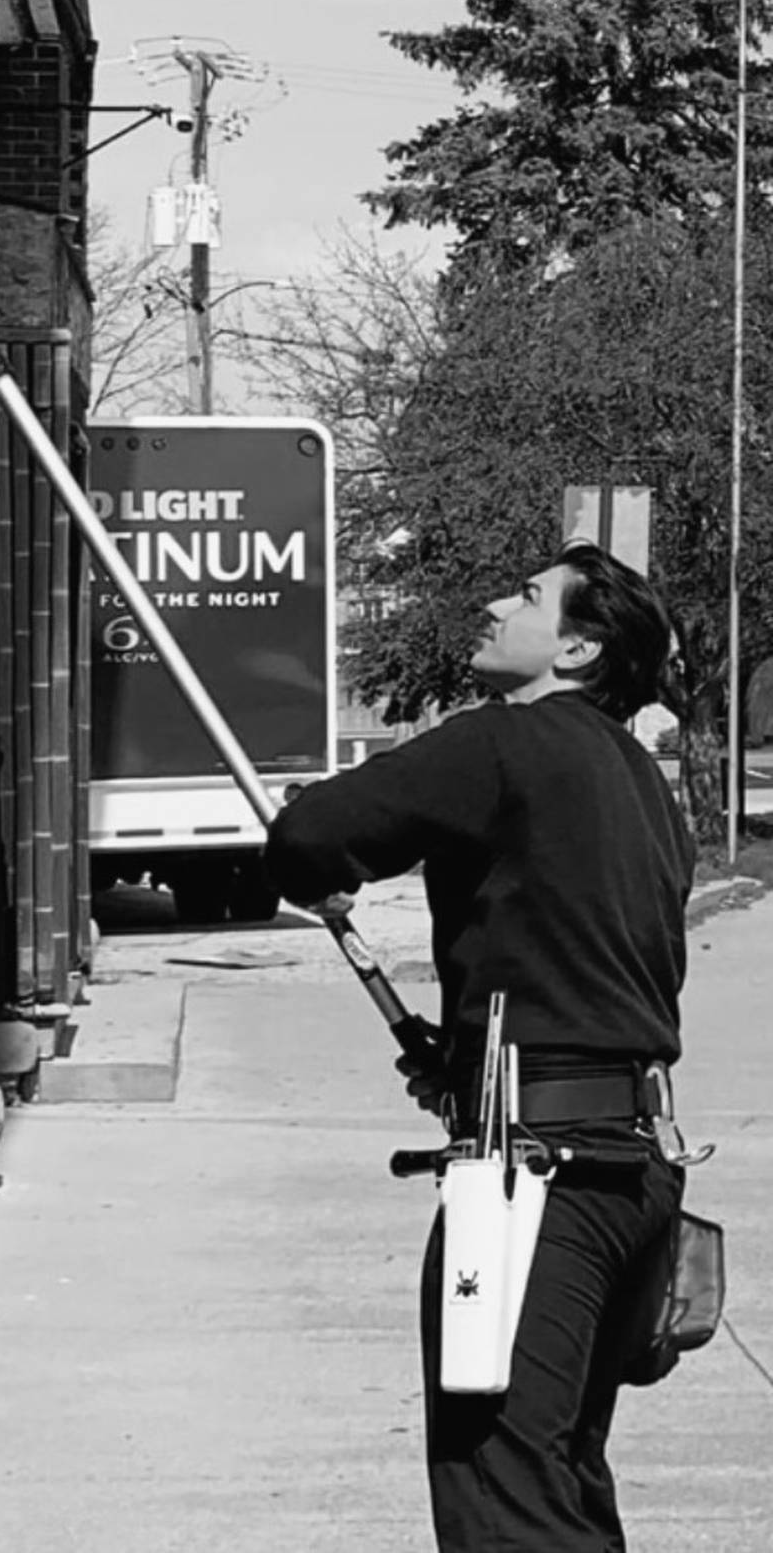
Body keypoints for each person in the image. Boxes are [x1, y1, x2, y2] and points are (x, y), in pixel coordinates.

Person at [263, 541, 696, 1552]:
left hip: (533, 1190)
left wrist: (314, 855)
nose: (498, 602)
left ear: (579, 647)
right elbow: (582, 958)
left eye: (531, 594)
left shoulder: (503, 742)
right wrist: (464, 1062)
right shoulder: (639, 781)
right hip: (630, 1174)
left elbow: (309, 838)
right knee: (562, 1477)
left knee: (507, 1493)